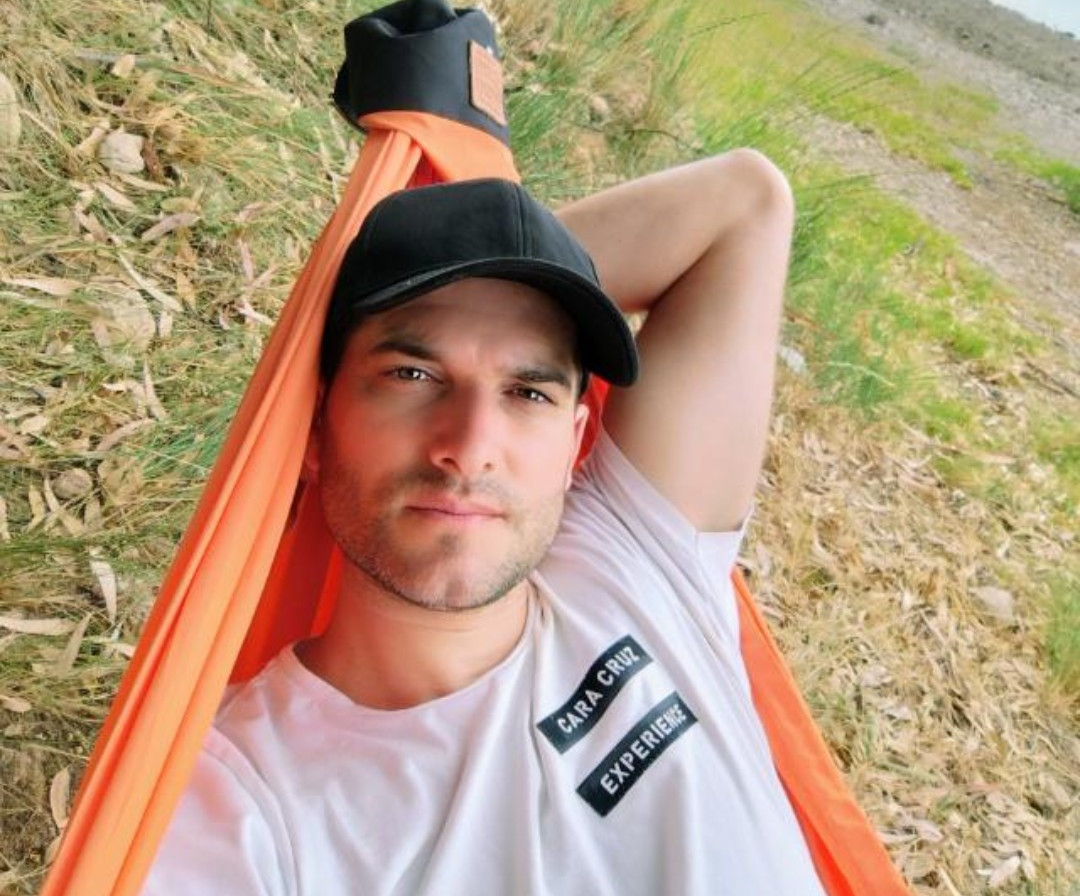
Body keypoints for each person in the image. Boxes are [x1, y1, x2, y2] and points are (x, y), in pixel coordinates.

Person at [142, 151, 826, 894]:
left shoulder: (640, 562)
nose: (470, 448)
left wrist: (476, 248)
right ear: (311, 427)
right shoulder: (237, 800)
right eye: (412, 375)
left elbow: (742, 203)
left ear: (572, 443)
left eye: (529, 392)